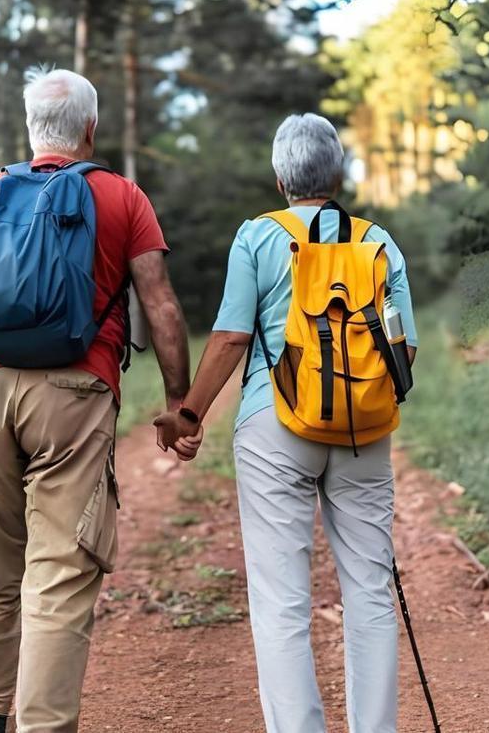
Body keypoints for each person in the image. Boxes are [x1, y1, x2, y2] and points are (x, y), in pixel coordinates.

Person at [0, 67, 196, 733]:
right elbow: (160, 306)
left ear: (32, 128)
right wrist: (178, 403)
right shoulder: (123, 198)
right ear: (90, 129)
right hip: (75, 394)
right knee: (59, 572)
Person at [171, 113, 418, 733]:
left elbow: (231, 337)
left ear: (282, 177)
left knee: (282, 601)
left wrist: (190, 413)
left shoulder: (259, 236)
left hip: (274, 424)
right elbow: (404, 350)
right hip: (362, 429)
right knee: (368, 590)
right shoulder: (378, 242)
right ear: (337, 174)